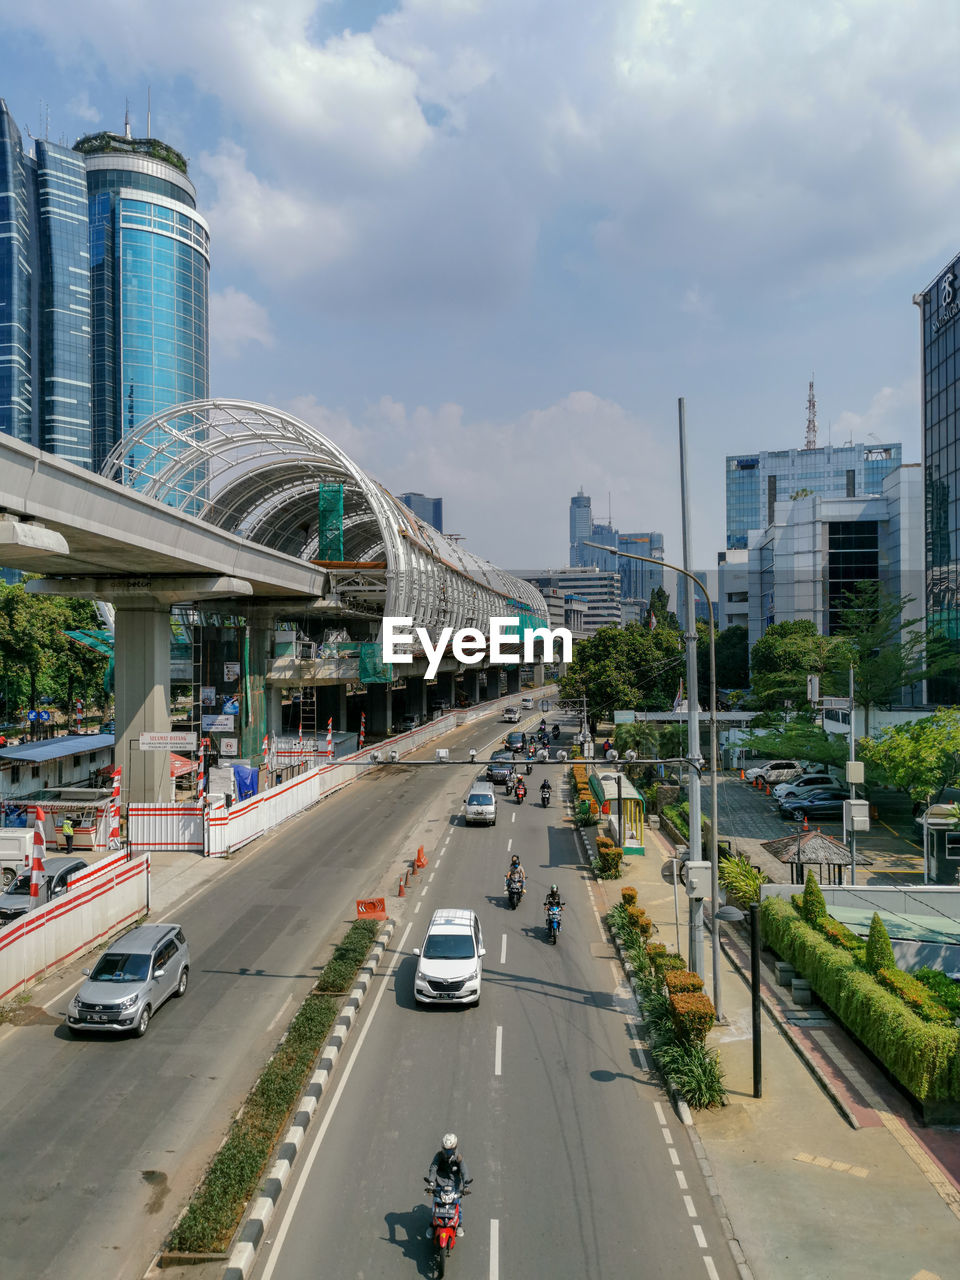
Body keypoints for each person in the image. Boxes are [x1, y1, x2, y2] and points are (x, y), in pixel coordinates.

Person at [426, 1133, 472, 1237]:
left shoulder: (459, 1158)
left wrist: (466, 1185)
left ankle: (459, 1224)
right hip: (440, 1184)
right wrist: (431, 1183)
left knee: (457, 1205)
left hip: (454, 1186)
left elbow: (464, 1171)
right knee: (436, 1204)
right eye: (445, 1149)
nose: (447, 1152)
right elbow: (433, 1168)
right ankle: (433, 1225)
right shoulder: (439, 1156)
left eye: (449, 1150)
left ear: (454, 1148)